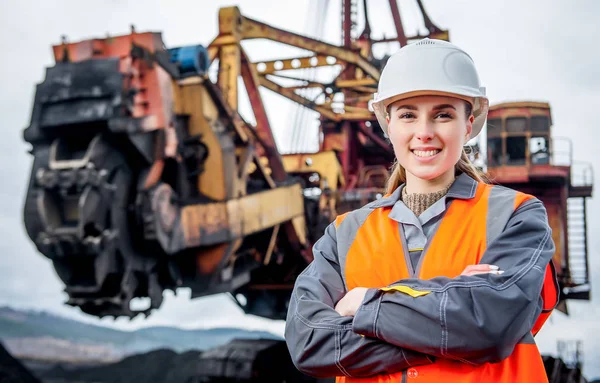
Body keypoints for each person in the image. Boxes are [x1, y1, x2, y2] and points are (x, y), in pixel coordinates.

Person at [284, 38, 558, 382]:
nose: (424, 133)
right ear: (389, 125)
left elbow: (491, 322)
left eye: (442, 114)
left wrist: (366, 301)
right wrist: (454, 329)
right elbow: (308, 340)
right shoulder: (344, 234)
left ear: (468, 124)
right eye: (408, 115)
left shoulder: (516, 216)